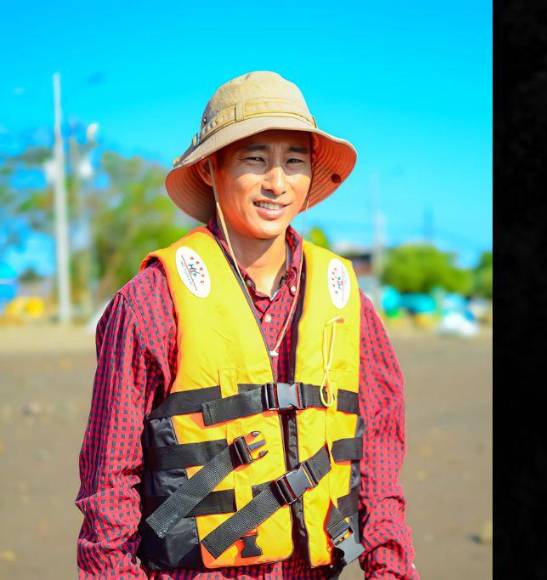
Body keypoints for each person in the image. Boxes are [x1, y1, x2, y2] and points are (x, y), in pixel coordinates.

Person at [76, 71, 420, 579]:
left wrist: (390, 569)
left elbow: (380, 460)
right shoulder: (150, 301)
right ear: (210, 168)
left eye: (294, 162)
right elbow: (108, 483)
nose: (277, 183)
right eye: (255, 159)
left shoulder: (347, 300)